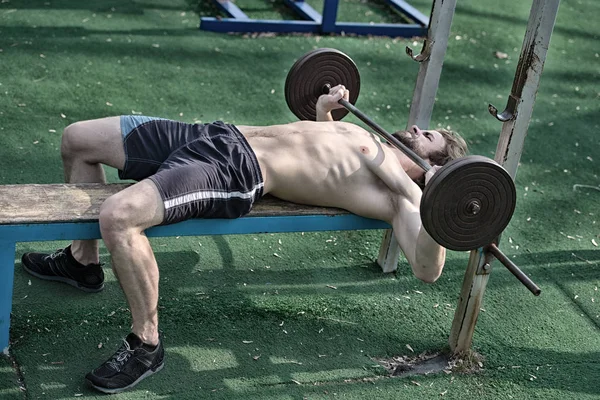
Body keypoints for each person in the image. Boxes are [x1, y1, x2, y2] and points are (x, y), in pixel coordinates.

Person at [21, 85, 467, 394]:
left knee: (118, 216)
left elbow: (428, 270)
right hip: (215, 135)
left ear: (435, 167)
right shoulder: (369, 139)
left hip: (236, 170)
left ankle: (146, 345)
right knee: (77, 138)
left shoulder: (399, 198)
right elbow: (316, 149)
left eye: (425, 137)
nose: (414, 130)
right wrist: (325, 110)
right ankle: (82, 264)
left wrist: (437, 196)